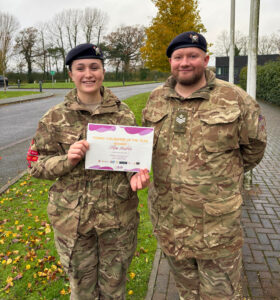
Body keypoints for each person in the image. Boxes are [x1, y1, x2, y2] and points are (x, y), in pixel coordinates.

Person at [141, 32, 267, 299]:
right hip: (170, 222)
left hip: (217, 227)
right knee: (188, 293)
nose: (185, 62)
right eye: (178, 57)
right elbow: (144, 147)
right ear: (170, 62)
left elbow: (255, 146)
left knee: (223, 295)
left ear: (206, 59)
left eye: (192, 55)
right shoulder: (155, 99)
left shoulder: (234, 98)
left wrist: (222, 176)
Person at [27, 43, 149, 300]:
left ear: (103, 71)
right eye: (80, 68)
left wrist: (136, 175)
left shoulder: (123, 114)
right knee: (82, 292)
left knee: (114, 291)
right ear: (70, 74)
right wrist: (66, 160)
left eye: (94, 67)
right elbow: (36, 166)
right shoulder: (53, 118)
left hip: (117, 221)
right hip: (73, 223)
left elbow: (131, 161)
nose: (88, 74)